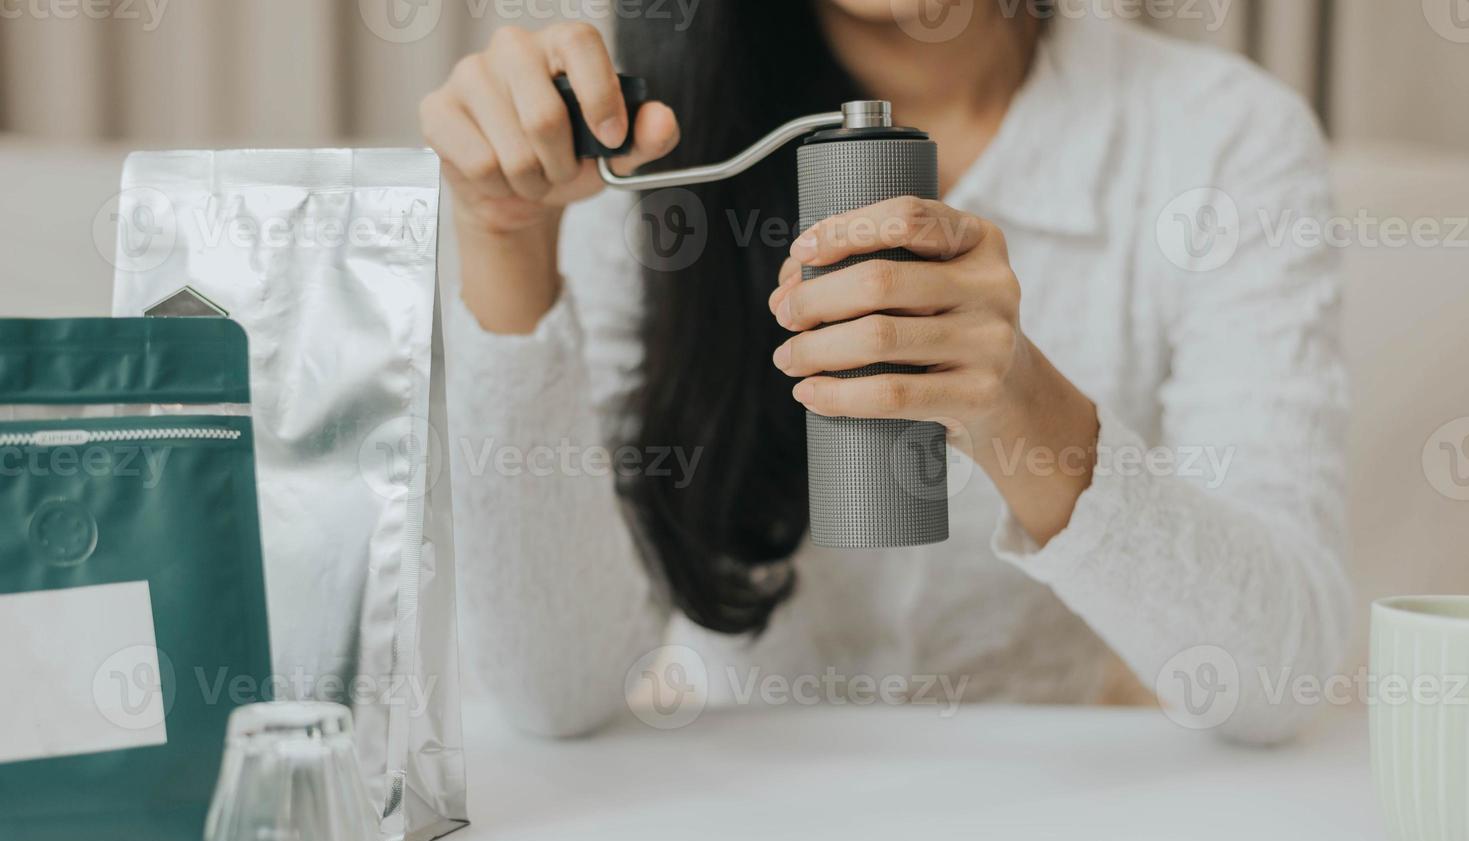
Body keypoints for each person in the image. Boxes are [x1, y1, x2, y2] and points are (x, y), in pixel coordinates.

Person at [420, 0, 1349, 742]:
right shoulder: (640, 132)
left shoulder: (1223, 139)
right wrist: (505, 242)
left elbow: (1273, 678)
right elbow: (554, 697)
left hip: (1051, 817)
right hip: (719, 825)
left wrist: (1024, 410)